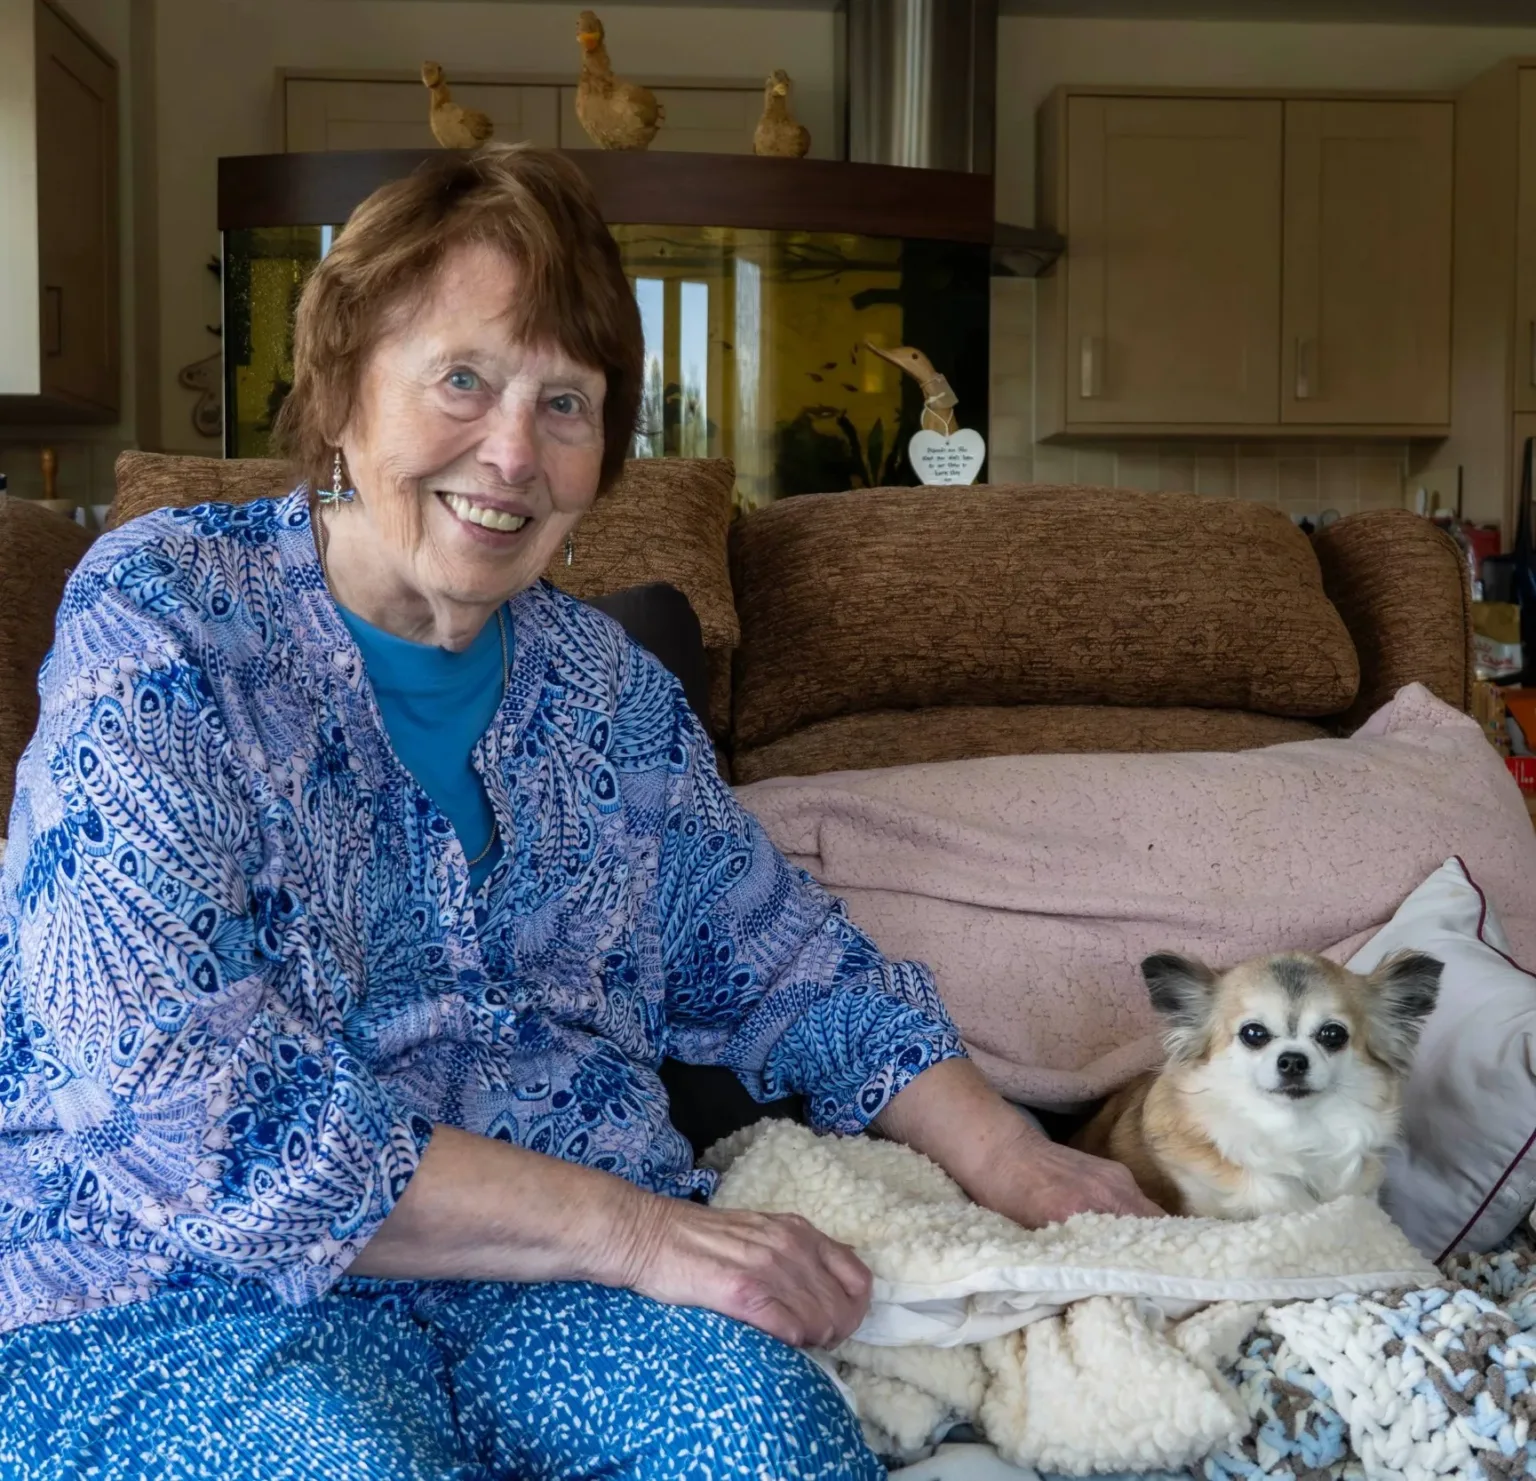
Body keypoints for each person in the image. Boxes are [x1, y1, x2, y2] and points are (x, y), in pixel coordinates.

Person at [0, 144, 1157, 1480]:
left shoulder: (606, 694)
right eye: (463, 380)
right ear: (341, 392)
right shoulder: (166, 619)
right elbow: (174, 1090)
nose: (512, 452)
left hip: (534, 1301)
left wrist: (1021, 1166)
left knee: (766, 1439)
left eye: (566, 402)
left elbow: (792, 965)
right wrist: (637, 1235)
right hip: (181, 1291)